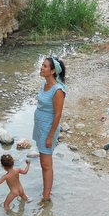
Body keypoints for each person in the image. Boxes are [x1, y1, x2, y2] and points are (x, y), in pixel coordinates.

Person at [33, 56, 66, 203]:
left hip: (48, 130)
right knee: (43, 163)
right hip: (40, 127)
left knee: (47, 165)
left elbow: (58, 115)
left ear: (52, 71)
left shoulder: (58, 90)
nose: (41, 68)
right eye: (42, 65)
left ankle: (46, 198)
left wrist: (50, 137)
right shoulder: (44, 85)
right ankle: (46, 191)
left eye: (45, 66)